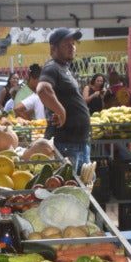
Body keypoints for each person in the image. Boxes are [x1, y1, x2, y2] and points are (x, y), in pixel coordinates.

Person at [36, 27, 90, 172]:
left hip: (78, 142)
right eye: (66, 44)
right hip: (67, 143)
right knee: (71, 188)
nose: (72, 47)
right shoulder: (52, 67)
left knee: (81, 188)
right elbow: (43, 89)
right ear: (53, 48)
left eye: (73, 43)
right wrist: (61, 111)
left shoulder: (64, 68)